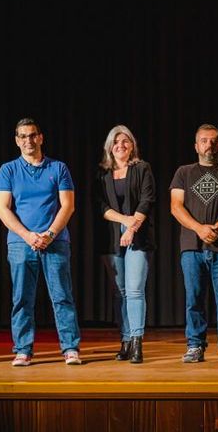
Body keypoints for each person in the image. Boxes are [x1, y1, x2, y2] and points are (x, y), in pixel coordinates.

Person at [0, 118, 82, 366]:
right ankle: (23, 349)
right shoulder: (8, 170)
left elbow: (68, 206)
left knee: (62, 296)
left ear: (40, 138)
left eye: (32, 135)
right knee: (22, 298)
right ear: (16, 141)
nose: (28, 141)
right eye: (23, 136)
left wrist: (49, 234)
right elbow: (2, 209)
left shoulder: (58, 168)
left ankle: (70, 348)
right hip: (20, 243)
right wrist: (28, 235)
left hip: (55, 241)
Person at [170, 124, 218, 364]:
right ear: (196, 146)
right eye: (204, 141)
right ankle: (195, 345)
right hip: (192, 247)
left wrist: (217, 227)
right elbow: (176, 206)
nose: (208, 145)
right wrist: (199, 228)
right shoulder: (184, 172)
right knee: (194, 299)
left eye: (213, 141)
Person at [96, 125, 156, 364]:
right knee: (119, 292)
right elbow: (100, 206)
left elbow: (147, 199)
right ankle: (126, 339)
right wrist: (124, 220)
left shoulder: (142, 168)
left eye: (125, 141)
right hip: (110, 235)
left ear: (132, 145)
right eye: (116, 142)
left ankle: (137, 342)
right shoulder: (102, 173)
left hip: (138, 234)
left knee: (134, 290)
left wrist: (131, 228)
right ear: (109, 147)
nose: (120, 145)